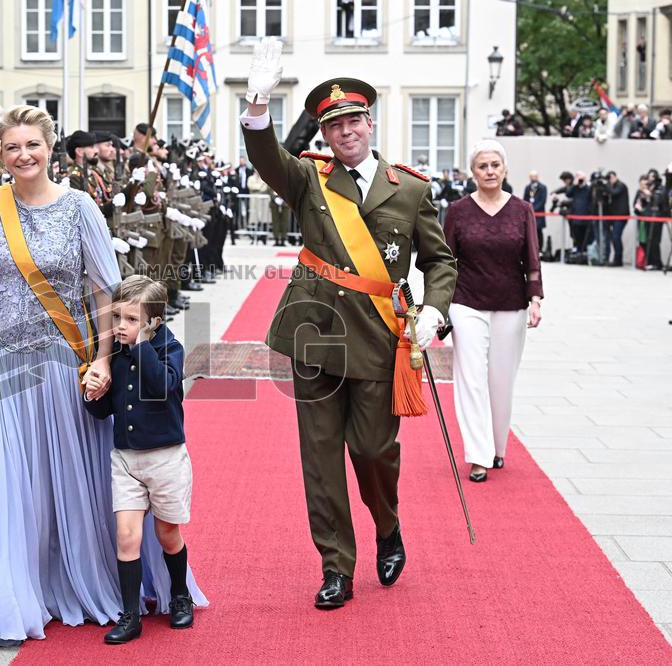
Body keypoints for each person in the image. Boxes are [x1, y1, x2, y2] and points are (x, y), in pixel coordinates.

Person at [0, 107, 204, 649]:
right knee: (3, 478)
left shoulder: (79, 207)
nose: (22, 156)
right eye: (11, 148)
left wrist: (103, 358)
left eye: (32, 145)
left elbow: (106, 291)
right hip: (2, 358)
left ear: (50, 148)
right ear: (1, 154)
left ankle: (81, 577)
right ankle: (3, 589)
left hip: (65, 361)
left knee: (67, 479)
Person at [241, 38, 457, 609]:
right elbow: (266, 158)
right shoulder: (310, 179)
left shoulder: (409, 188)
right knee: (320, 458)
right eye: (334, 126)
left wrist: (434, 308)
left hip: (380, 337)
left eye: (354, 120)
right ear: (324, 134)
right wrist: (258, 104)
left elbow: (439, 260)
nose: (346, 132)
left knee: (373, 451)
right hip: (314, 334)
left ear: (369, 122)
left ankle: (387, 524)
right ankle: (335, 564)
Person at [83, 275, 199, 644]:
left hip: (165, 459)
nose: (120, 326)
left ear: (153, 322)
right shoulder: (113, 355)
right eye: (118, 317)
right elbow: (102, 414)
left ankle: (180, 594)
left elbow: (161, 386)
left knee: (167, 534)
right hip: (126, 460)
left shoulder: (170, 348)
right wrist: (92, 391)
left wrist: (144, 344)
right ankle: (130, 614)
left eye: (132, 320)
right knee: (127, 536)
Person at [442, 140, 543, 483]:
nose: (489, 171)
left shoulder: (522, 210)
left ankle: (498, 446)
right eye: (482, 166)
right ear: (472, 172)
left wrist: (535, 299)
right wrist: (437, 303)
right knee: (471, 380)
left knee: (501, 381)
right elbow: (444, 261)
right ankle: (478, 455)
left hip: (511, 305)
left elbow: (531, 258)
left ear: (504, 170)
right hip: (466, 302)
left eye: (494, 165)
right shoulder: (457, 211)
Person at [602, 171, 630, 266]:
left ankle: (618, 259)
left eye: (609, 179)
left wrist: (606, 186)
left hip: (621, 216)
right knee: (614, 237)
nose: (608, 182)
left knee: (616, 236)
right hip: (614, 216)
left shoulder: (621, 186)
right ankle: (616, 259)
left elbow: (614, 193)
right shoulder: (611, 187)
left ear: (614, 177)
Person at [523, 171, 547, 250]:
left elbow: (542, 201)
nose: (533, 178)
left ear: (537, 177)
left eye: (534, 176)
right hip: (529, 213)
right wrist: (527, 208)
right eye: (531, 176)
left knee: (538, 231)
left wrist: (533, 209)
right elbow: (525, 199)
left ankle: (540, 249)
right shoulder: (528, 187)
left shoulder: (542, 187)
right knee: (529, 231)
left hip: (538, 213)